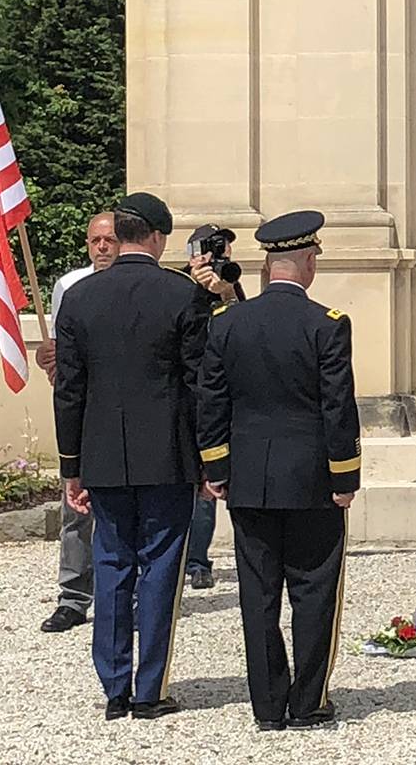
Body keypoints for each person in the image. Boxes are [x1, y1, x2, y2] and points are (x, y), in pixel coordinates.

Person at [196, 211, 360, 732]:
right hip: (311, 478)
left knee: (259, 593)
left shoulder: (227, 322)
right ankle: (308, 701)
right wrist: (345, 477)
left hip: (248, 476)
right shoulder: (327, 324)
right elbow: (338, 407)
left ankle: (267, 706)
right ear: (308, 261)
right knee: (314, 589)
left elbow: (211, 401)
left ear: (268, 265)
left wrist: (216, 468)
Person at [53, 192, 207, 721]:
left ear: (118, 237)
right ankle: (150, 687)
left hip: (101, 455)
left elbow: (69, 390)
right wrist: (209, 458)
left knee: (112, 563)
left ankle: (114, 687)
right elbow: (198, 385)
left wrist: (70, 465)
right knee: (161, 566)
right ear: (159, 237)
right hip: (166, 454)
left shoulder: (80, 298)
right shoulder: (183, 295)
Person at [37, 211, 118, 634]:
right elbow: (60, 348)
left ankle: (126, 594)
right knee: (76, 506)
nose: (102, 247)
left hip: (124, 408)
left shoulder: (136, 285)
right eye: (94, 241)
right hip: (82, 411)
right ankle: (73, 596)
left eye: (109, 239)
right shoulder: (69, 286)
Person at [182, 223, 243, 592]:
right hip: (191, 395)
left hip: (226, 395)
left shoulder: (229, 284)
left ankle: (203, 559)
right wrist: (196, 288)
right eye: (216, 249)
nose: (223, 256)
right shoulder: (178, 287)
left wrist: (227, 294)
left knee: (214, 480)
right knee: (197, 480)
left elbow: (243, 328)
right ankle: (192, 559)